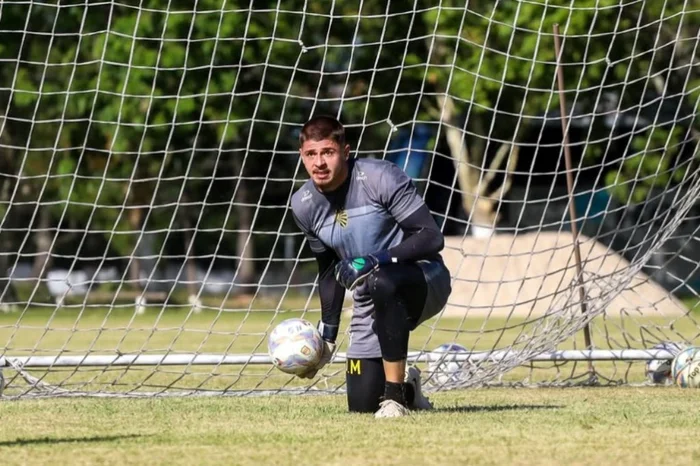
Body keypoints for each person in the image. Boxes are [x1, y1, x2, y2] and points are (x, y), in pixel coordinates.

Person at [290, 115, 452, 418]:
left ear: (346, 152)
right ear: (302, 156)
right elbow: (329, 271)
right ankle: (408, 387)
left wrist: (376, 259)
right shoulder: (303, 204)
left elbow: (432, 238)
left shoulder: (381, 177)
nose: (319, 163)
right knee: (362, 406)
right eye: (311, 154)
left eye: (328, 152)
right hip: (371, 296)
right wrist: (326, 339)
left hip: (424, 278)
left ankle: (394, 398)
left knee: (383, 280)